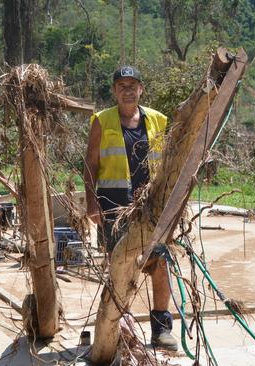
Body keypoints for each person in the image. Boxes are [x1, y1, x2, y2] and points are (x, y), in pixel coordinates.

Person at [84, 65, 177, 351]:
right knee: (119, 267)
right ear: (114, 91)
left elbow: (173, 162)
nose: (127, 90)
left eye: (132, 85)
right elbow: (90, 164)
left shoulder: (159, 121)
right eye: (121, 85)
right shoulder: (102, 120)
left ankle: (161, 330)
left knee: (159, 263)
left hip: (151, 207)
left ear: (141, 89)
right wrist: (91, 203)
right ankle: (118, 326)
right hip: (113, 205)